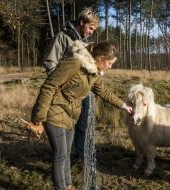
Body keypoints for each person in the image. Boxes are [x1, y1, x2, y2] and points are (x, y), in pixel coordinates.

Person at [31, 41, 132, 190]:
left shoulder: (94, 73)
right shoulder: (75, 63)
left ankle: (69, 185)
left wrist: (123, 106)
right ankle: (61, 187)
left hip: (71, 115)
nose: (110, 67)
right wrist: (39, 117)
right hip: (54, 111)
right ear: (101, 58)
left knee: (66, 154)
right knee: (60, 155)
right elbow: (49, 86)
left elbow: (104, 92)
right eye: (110, 63)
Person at [43, 7, 100, 163]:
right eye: (90, 28)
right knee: (66, 124)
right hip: (66, 94)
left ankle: (79, 156)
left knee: (83, 124)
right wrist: (61, 87)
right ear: (82, 22)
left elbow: (89, 69)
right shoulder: (62, 37)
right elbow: (50, 63)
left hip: (84, 93)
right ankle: (63, 156)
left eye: (94, 29)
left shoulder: (86, 42)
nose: (91, 32)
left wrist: (92, 90)